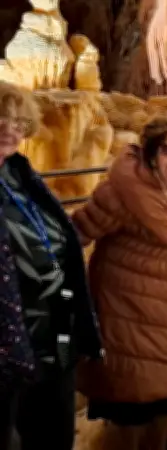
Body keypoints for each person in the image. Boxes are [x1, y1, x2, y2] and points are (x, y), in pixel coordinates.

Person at [71, 118, 167, 449]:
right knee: (130, 412)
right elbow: (75, 233)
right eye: (166, 150)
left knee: (166, 406)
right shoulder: (124, 193)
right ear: (151, 156)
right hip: (126, 315)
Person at [0, 80, 103, 450]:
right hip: (10, 346)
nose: (8, 128)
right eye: (0, 118)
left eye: (17, 120)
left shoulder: (21, 176)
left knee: (55, 437)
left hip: (55, 337)